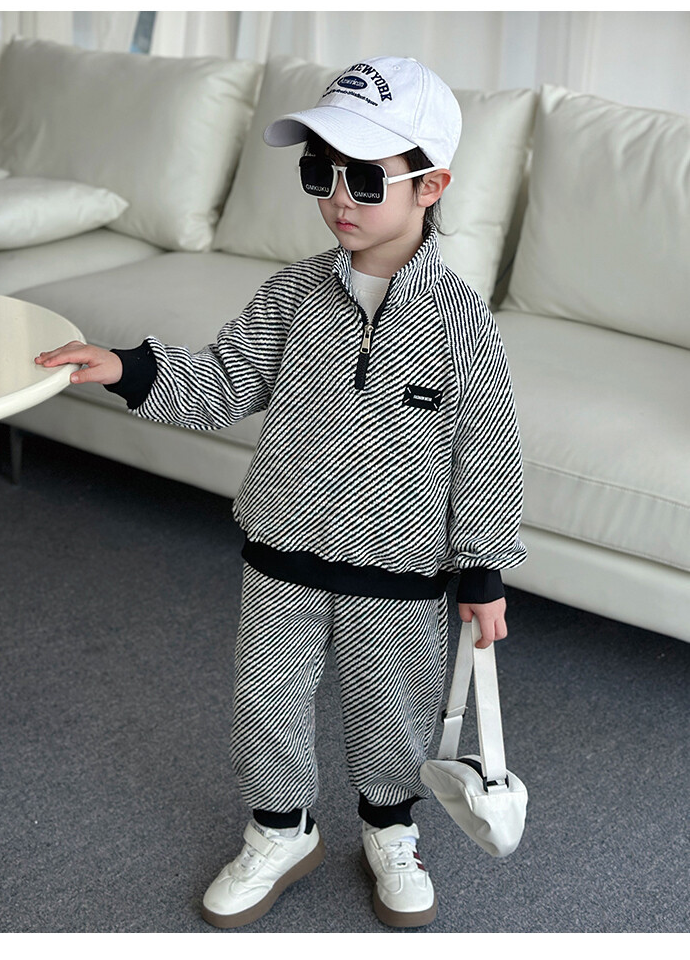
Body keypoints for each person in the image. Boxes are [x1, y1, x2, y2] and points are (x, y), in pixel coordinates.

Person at [35, 56, 526, 930]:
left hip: (399, 572)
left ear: (431, 186)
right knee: (265, 708)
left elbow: (486, 449)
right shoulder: (293, 293)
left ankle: (390, 830)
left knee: (391, 715)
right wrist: (127, 368)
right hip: (282, 555)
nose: (338, 198)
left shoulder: (461, 321)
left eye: (364, 179)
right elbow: (223, 380)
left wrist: (482, 568)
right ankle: (280, 830)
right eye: (318, 172)